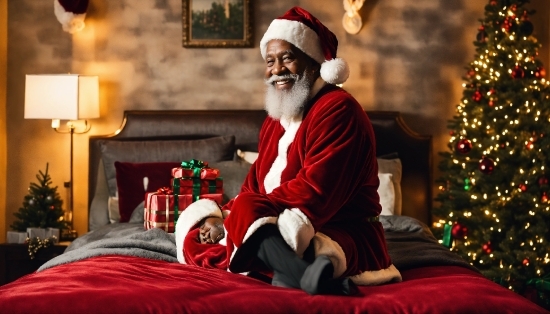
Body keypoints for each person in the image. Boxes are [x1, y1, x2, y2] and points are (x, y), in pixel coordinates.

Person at [176, 6, 402, 295]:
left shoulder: (338, 110)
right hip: (278, 223)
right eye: (270, 61)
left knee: (246, 215)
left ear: (312, 61)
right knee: (195, 233)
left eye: (287, 58)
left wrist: (243, 214)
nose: (277, 70)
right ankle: (300, 273)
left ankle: (292, 271)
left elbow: (317, 191)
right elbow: (252, 187)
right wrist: (219, 217)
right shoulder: (275, 121)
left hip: (338, 230)